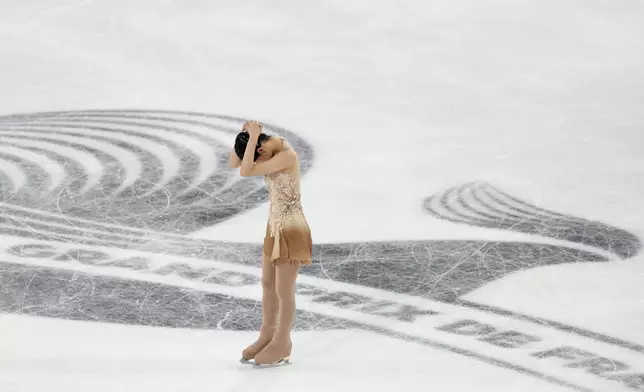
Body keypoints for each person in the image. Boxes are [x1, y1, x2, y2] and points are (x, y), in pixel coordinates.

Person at [228, 120, 312, 367]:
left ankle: (283, 342)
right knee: (267, 284)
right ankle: (266, 335)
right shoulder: (267, 151)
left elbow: (244, 170)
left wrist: (252, 138)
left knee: (283, 289)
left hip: (291, 228)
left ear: (261, 150)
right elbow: (236, 162)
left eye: (256, 156)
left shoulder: (287, 155)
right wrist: (245, 137)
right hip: (274, 226)